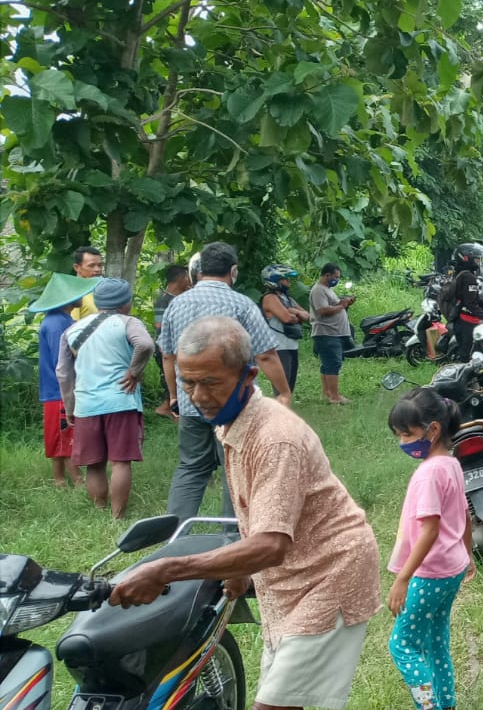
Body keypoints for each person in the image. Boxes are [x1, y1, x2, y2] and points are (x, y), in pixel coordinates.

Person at [111, 317, 380, 710]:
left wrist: (164, 569)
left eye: (211, 383)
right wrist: (235, 567)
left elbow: (270, 545)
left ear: (249, 375)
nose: (198, 395)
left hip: (330, 573)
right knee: (282, 694)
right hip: (288, 575)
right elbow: (256, 511)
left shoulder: (275, 438)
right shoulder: (232, 418)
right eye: (188, 382)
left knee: (273, 704)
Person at [159, 242, 292, 522]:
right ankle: (232, 536)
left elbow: (168, 356)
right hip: (232, 404)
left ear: (198, 271)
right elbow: (266, 355)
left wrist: (174, 396)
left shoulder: (176, 305)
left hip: (190, 400)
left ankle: (172, 535)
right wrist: (283, 391)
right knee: (235, 465)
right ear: (233, 271)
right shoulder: (240, 304)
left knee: (191, 466)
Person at [386, 387, 476, 710]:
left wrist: (403, 578)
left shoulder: (428, 474)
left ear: (432, 430)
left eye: (407, 434)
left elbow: (430, 530)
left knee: (402, 645)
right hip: (451, 568)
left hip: (430, 574)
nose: (403, 442)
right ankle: (446, 703)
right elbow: (463, 512)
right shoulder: (450, 463)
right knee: (437, 644)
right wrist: (468, 555)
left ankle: (429, 706)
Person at [56, 279, 153, 518]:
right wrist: (134, 371)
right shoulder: (128, 322)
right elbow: (146, 344)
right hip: (121, 400)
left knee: (94, 463)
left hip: (86, 404)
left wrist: (70, 405)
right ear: (126, 302)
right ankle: (117, 515)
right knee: (120, 461)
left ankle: (100, 510)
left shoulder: (72, 330)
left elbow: (63, 371)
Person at [30, 273, 99, 488]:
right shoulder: (57, 323)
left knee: (59, 436)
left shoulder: (60, 319)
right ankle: (77, 481)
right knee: (66, 436)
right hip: (61, 389)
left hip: (57, 390)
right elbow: (60, 361)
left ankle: (59, 480)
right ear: (68, 299)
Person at [310, 263, 357, 405]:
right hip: (326, 332)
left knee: (327, 364)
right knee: (333, 363)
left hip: (333, 332)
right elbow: (322, 310)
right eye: (335, 277)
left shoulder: (327, 289)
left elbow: (334, 305)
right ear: (327, 275)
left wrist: (345, 302)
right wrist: (341, 305)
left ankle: (327, 393)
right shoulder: (318, 290)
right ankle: (335, 396)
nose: (336, 280)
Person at [260, 264, 310, 395]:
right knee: (282, 387)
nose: (288, 282)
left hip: (292, 345)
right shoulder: (269, 298)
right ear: (275, 280)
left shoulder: (288, 299)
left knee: (290, 384)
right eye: (285, 279)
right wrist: (294, 314)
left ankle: (283, 411)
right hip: (279, 347)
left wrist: (292, 311)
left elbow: (306, 315)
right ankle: (279, 412)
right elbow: (287, 319)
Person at [446, 243, 483, 360]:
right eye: (475, 258)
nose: (478, 262)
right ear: (466, 258)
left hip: (460, 319)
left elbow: (467, 297)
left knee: (468, 353)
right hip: (467, 322)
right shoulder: (468, 277)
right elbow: (470, 304)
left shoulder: (459, 273)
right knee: (469, 356)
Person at [153, 264, 192, 415]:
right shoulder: (164, 300)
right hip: (167, 347)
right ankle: (168, 407)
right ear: (182, 279)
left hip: (178, 346)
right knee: (170, 377)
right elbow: (160, 329)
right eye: (188, 277)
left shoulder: (180, 297)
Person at [69, 246, 104, 319]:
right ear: (77, 267)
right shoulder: (73, 293)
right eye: (91, 265)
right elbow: (71, 326)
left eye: (100, 265)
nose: (97, 269)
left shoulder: (100, 290)